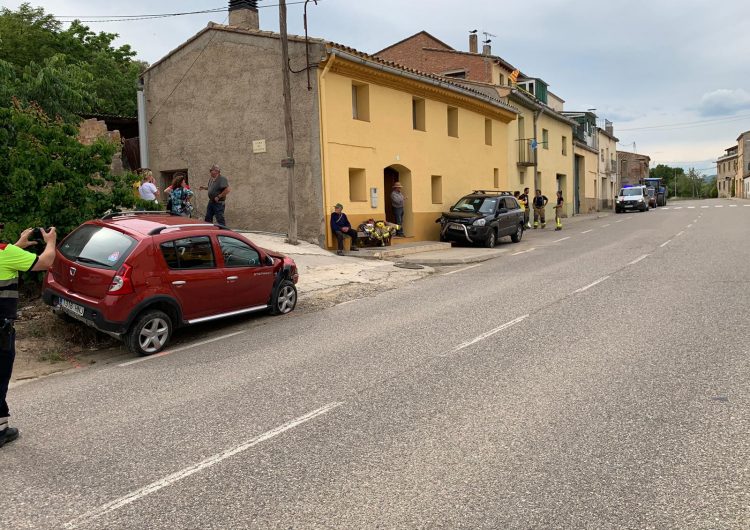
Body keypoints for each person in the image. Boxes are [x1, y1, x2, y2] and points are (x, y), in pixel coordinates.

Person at [1, 225, 57, 447]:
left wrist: (18, 245)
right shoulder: (6, 253)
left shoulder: (8, 253)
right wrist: (51, 241)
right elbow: (45, 262)